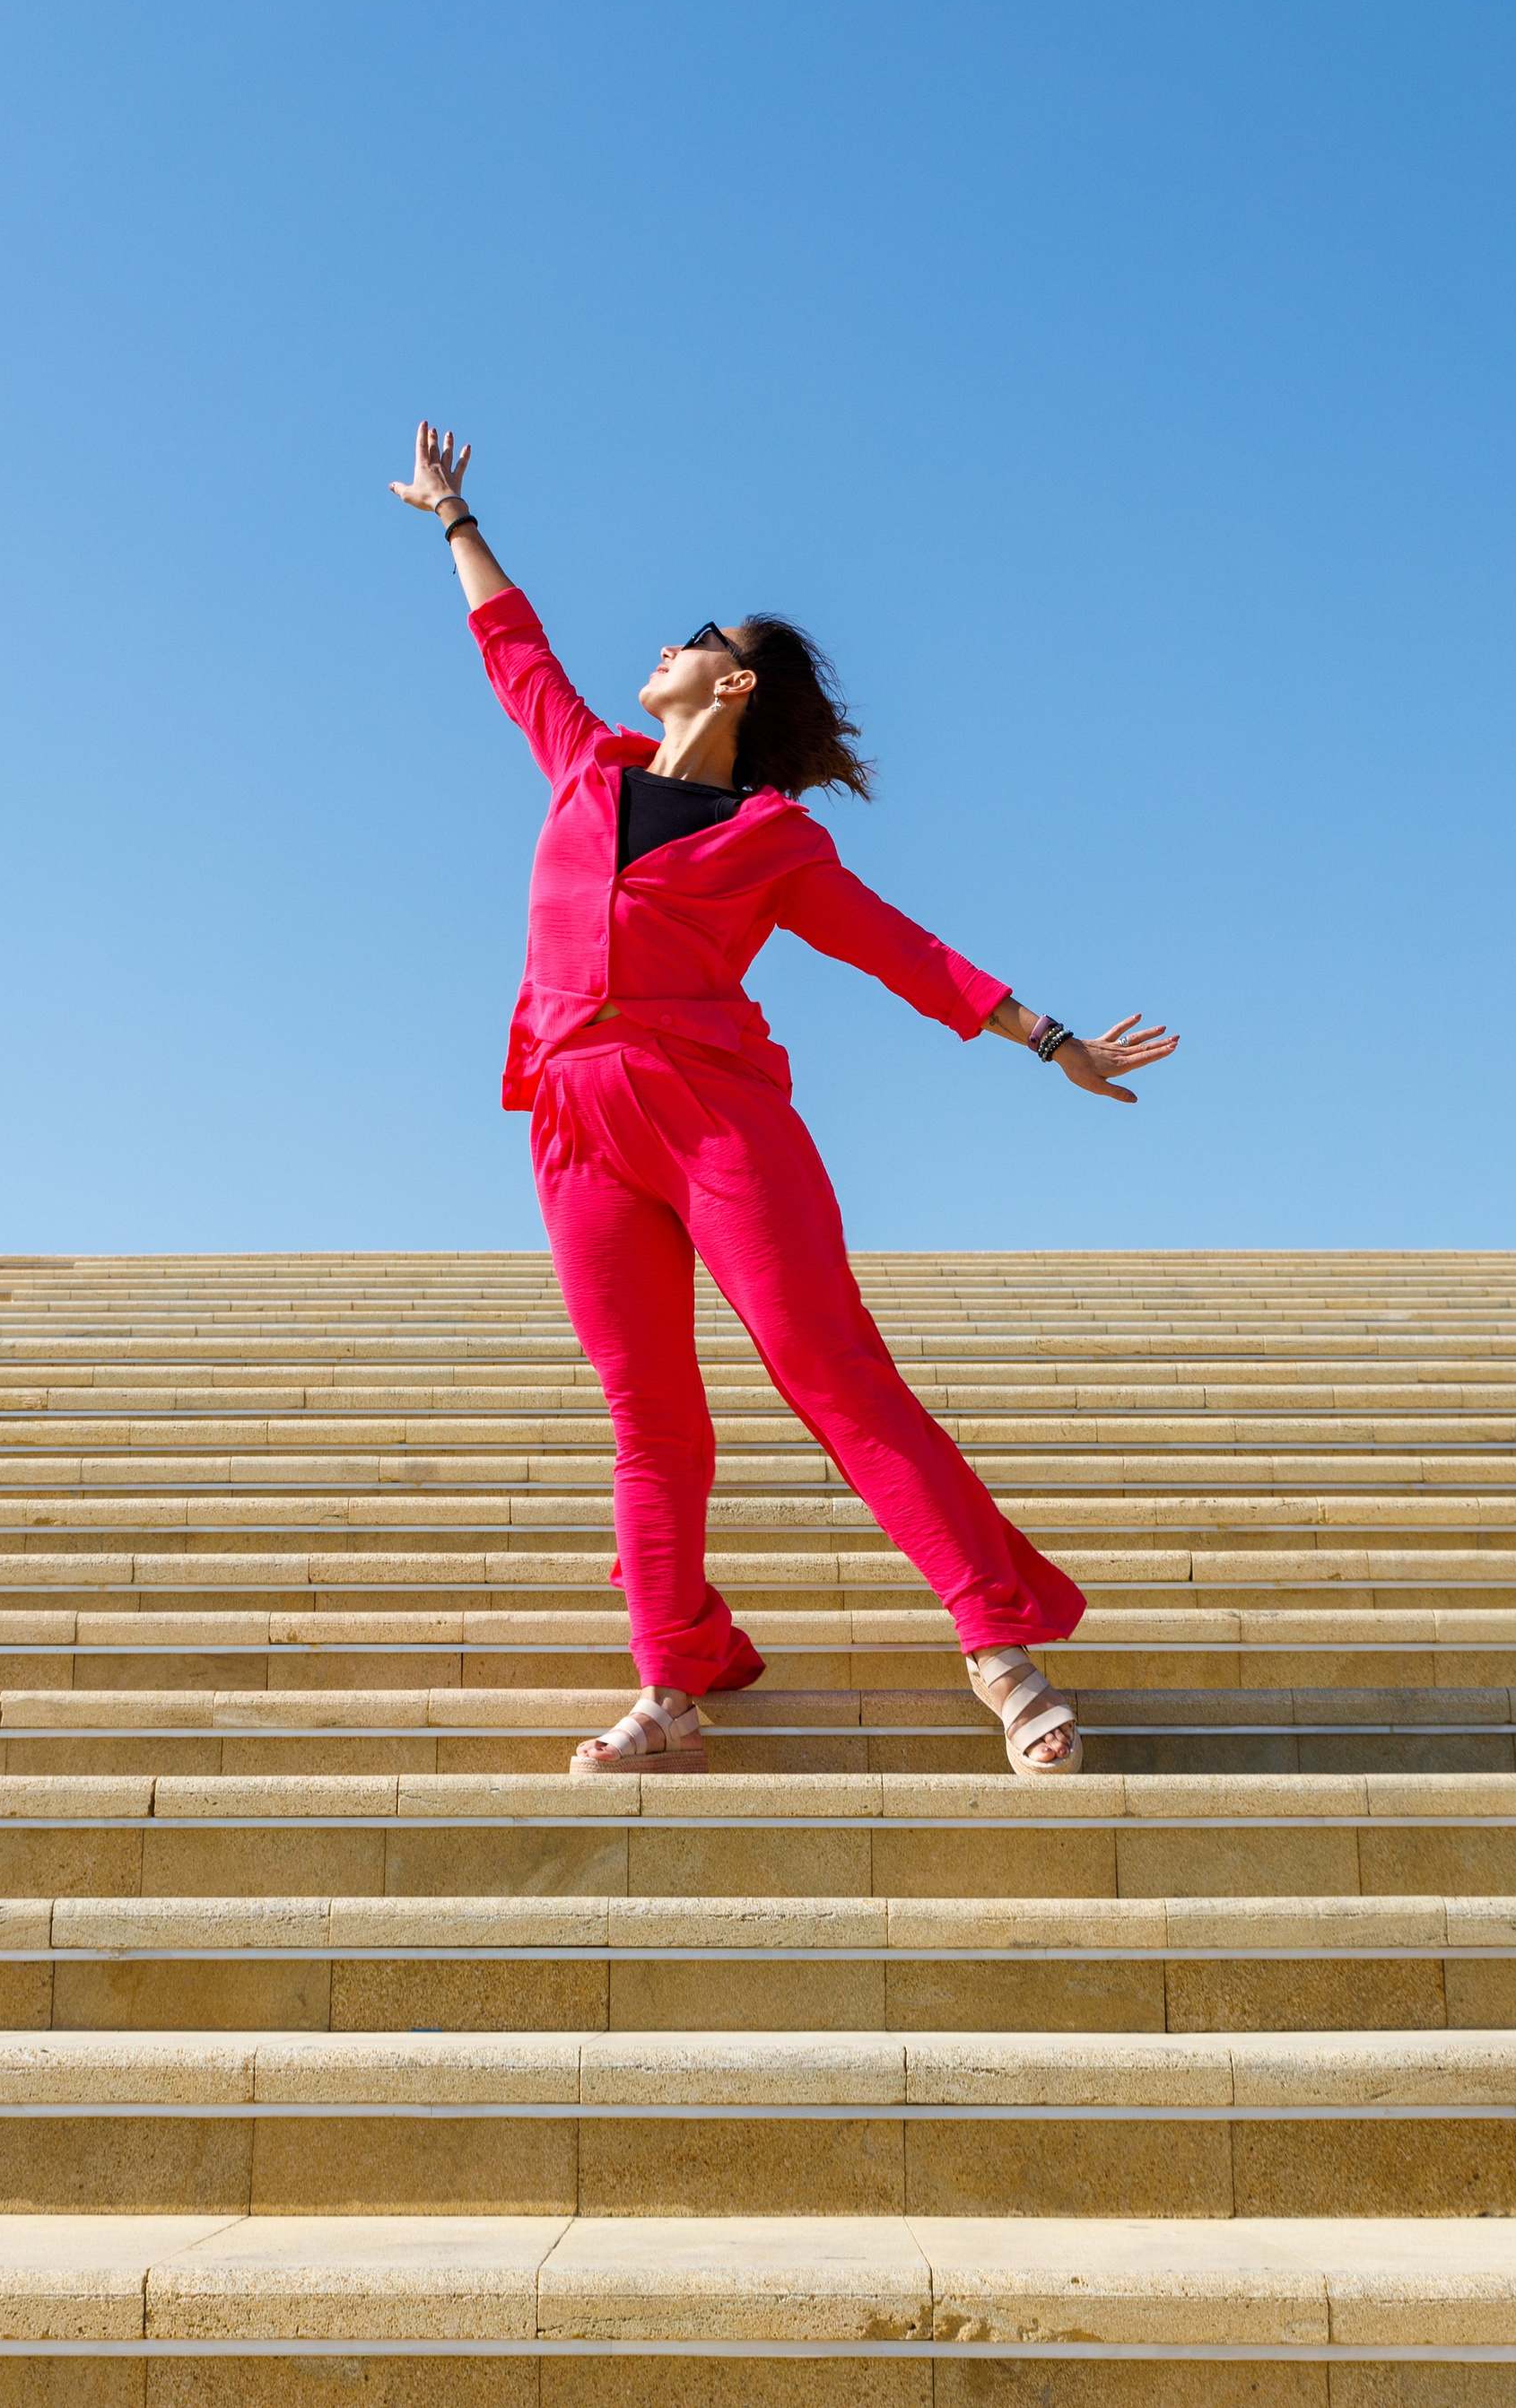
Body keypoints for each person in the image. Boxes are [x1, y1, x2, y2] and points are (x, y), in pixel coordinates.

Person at [390, 423, 1179, 1776]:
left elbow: (902, 949)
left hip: (716, 1118)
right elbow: (512, 649)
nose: (663, 644)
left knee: (827, 1364)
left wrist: (1051, 1039)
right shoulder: (588, 763)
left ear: (732, 679)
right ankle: (673, 1681)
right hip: (575, 1121)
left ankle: (999, 1645)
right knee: (647, 1409)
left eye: (690, 634)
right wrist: (456, 519)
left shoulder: (775, 841)